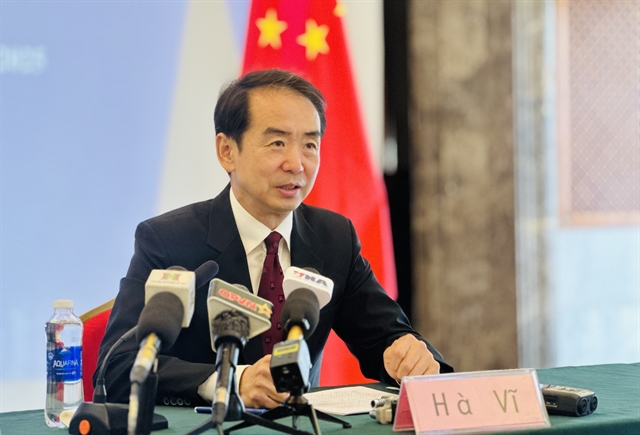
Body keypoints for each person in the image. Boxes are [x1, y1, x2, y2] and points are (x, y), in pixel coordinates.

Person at [97, 69, 453, 409]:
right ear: (227, 151)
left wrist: (408, 354)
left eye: (310, 145)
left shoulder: (333, 239)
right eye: (277, 143)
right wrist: (233, 381)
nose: (296, 163)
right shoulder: (169, 240)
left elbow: (385, 336)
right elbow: (118, 368)